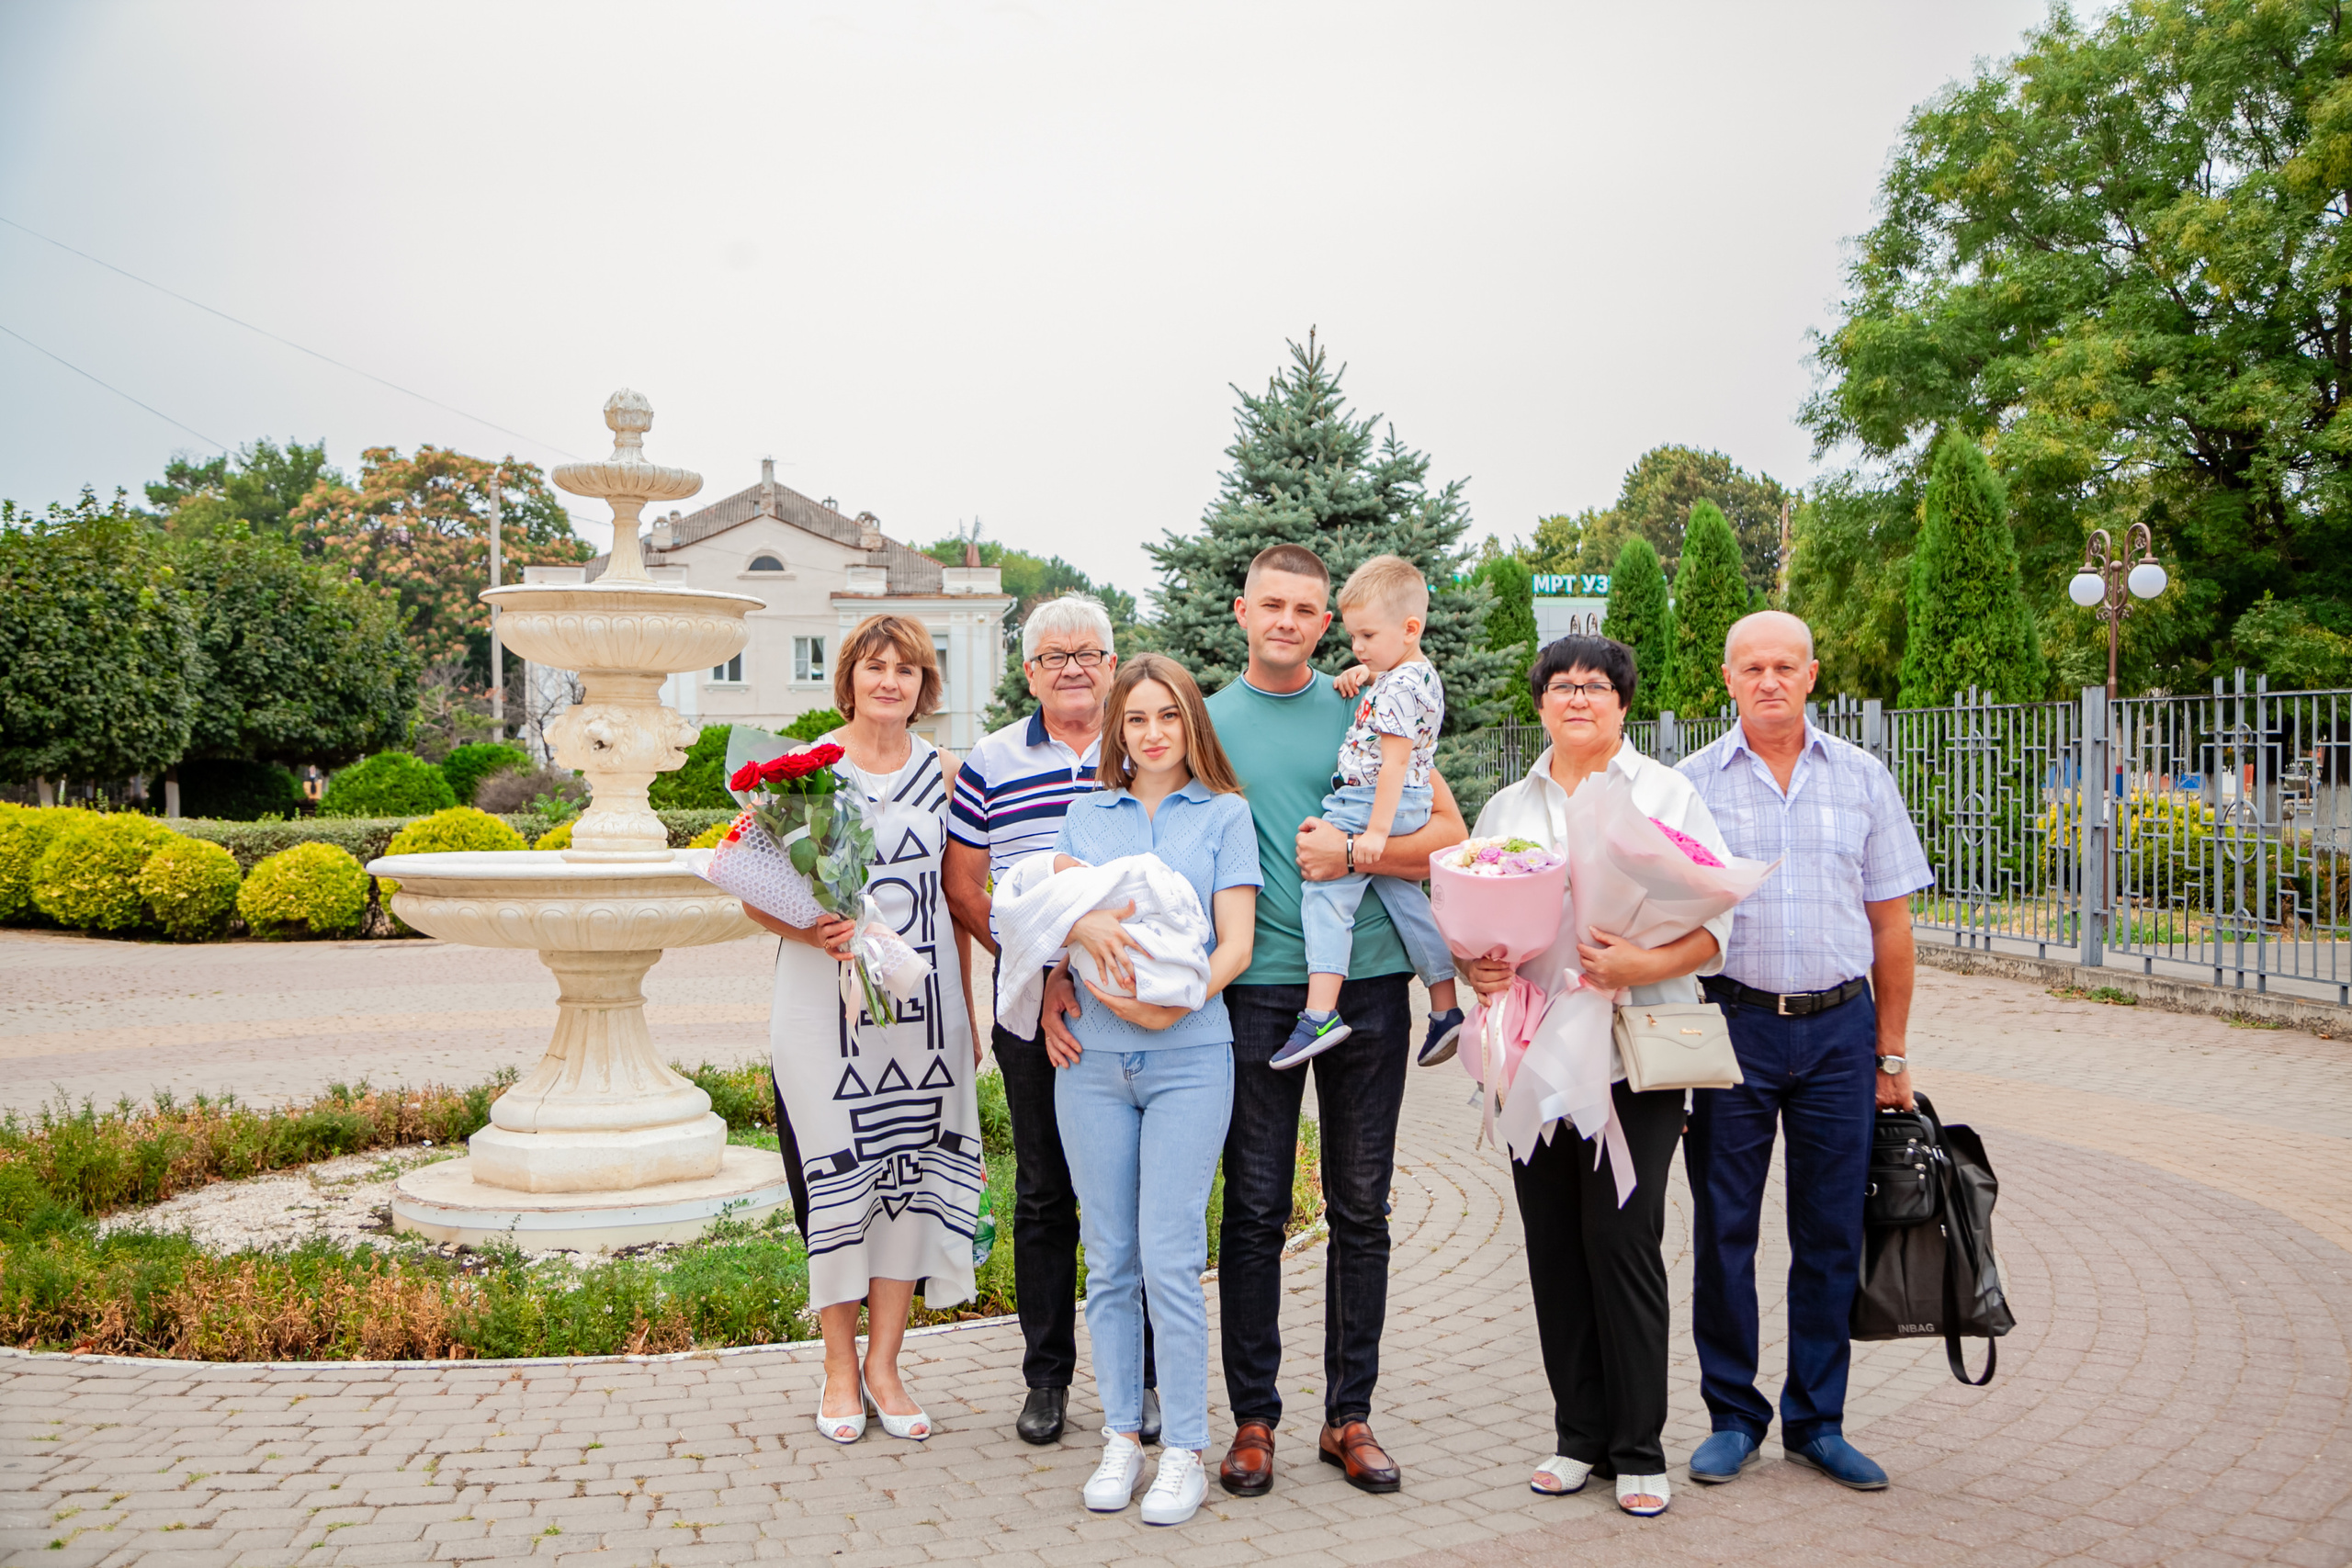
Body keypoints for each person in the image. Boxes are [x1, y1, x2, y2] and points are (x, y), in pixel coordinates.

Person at [1052, 542, 1467, 1500]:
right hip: (1252, 996)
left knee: (1361, 1206)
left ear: (1327, 624)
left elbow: (1446, 832)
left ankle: (1347, 1416)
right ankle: (1252, 1420)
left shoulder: (1367, 705)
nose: (1287, 621)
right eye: (1270, 605)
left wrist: (1361, 851)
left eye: (1306, 611)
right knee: (1254, 1211)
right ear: (1243, 612)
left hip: (1367, 986)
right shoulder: (1208, 726)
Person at [1460, 634, 1734, 1518]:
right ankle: (1578, 1435)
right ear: (1541, 701)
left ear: (1622, 702)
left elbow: (1717, 930)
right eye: (1562, 685)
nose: (1578, 697)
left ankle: (1640, 1446)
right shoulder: (1508, 801)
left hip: (1634, 1049)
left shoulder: (1668, 793)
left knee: (1624, 1243)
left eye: (1596, 685)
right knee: (1551, 1245)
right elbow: (1476, 923)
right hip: (1533, 1050)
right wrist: (1482, 970)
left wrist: (1635, 957)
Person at [1675, 610, 1933, 1493]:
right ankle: (1733, 1416)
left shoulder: (1862, 777)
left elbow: (1892, 925)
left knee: (1828, 1231)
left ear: (1813, 674)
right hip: (1730, 1026)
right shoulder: (1689, 786)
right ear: (1728, 678)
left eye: (1786, 665)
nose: (1770, 680)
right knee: (1724, 1227)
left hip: (1838, 1032)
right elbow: (1658, 914)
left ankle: (1817, 1419)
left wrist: (1890, 1057)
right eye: (1753, 666)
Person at [741, 613, 983, 1448]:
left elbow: (957, 901)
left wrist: (969, 1013)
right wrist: (814, 930)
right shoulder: (803, 771)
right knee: (838, 1183)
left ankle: (886, 1364)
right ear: (847, 679)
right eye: (874, 667)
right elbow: (753, 890)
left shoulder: (946, 774)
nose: (890, 682)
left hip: (924, 1013)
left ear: (925, 686)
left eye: (906, 670)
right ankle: (839, 1367)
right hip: (820, 1009)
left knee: (908, 1182)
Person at [1033, 653, 1261, 1526]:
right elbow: (1049, 917)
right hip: (1090, 1061)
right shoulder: (1087, 814)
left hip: (1191, 1055)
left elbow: (1234, 942)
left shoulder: (1224, 814)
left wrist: (1175, 1005)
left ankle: (1185, 1453)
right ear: (1118, 730)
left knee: (1169, 1256)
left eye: (1168, 715)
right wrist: (1068, 947)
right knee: (1111, 1257)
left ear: (1189, 723)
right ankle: (1122, 1436)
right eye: (1136, 718)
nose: (1153, 732)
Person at [943, 593, 1159, 1448]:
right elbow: (967, 887)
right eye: (1053, 655)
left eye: (1088, 651)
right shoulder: (989, 762)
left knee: (1134, 1198)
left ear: (1113, 662)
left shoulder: (1146, 741)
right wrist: (1039, 968)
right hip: (1035, 1012)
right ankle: (1047, 1378)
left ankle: (1138, 1382)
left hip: (1133, 1005)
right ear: (1028, 672)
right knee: (1043, 1196)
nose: (1073, 666)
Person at [1280, 554, 1464, 1070]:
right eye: (1354, 638)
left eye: (1366, 637)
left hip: (1368, 802)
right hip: (1410, 802)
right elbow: (1397, 682)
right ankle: (1447, 1007)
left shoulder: (1397, 688)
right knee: (1404, 899)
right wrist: (1368, 670)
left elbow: (1393, 763)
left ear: (1409, 628)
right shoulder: (1413, 674)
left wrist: (1375, 836)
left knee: (1326, 894)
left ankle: (1319, 1013)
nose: (1357, 647)